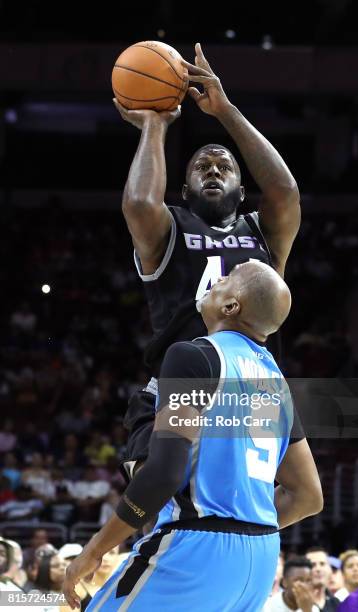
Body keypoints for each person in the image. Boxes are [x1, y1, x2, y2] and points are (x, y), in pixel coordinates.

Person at [63, 261, 323, 611]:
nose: (218, 279)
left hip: (197, 548)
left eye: (227, 279)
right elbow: (308, 496)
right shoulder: (276, 382)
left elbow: (164, 474)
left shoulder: (195, 356)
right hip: (261, 559)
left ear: (232, 307)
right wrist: (242, 525)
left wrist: (94, 550)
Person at [114, 41, 301, 481]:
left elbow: (286, 193)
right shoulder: (170, 227)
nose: (213, 170)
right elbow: (140, 202)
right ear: (184, 190)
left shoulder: (264, 233)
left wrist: (226, 111)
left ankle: (239, 539)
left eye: (224, 167)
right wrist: (155, 124)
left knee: (295, 495)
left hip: (250, 391)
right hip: (184, 384)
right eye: (202, 166)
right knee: (159, 496)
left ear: (241, 190)